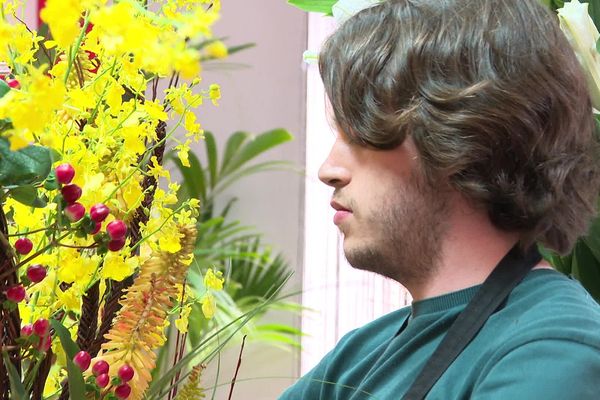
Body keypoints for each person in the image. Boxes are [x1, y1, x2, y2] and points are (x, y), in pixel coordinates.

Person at [280, 0, 600, 399]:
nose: (329, 169)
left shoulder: (552, 351)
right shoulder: (360, 355)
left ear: (462, 136)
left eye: (360, 133)